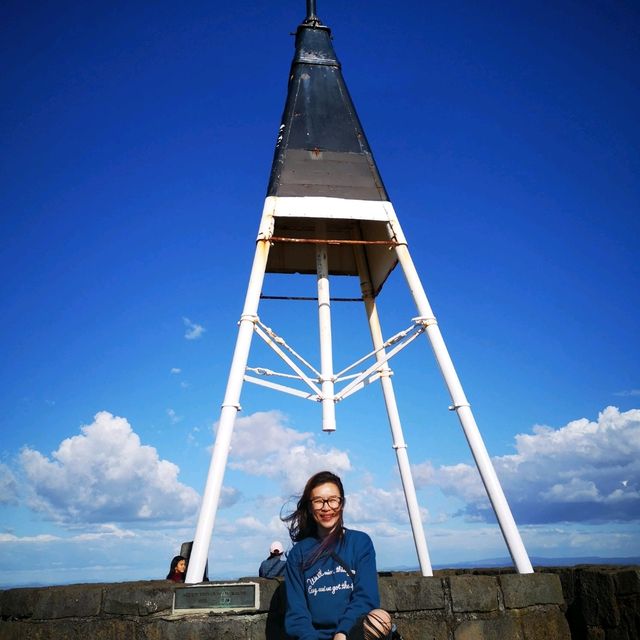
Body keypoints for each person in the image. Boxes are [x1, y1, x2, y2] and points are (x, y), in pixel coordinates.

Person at [282, 470, 393, 640]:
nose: (326, 507)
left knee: (380, 617)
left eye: (333, 500)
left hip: (352, 635)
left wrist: (343, 633)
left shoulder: (360, 543)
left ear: (341, 504)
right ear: (310, 507)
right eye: (319, 501)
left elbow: (366, 598)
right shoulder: (298, 554)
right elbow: (297, 614)